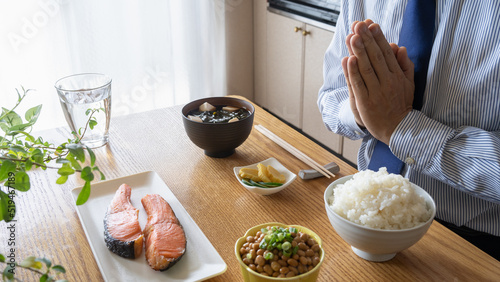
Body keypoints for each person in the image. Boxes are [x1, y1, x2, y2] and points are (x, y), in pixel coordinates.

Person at [318, 0, 500, 260]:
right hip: (361, 216)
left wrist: (400, 127)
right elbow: (329, 96)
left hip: (472, 245)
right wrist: (360, 113)